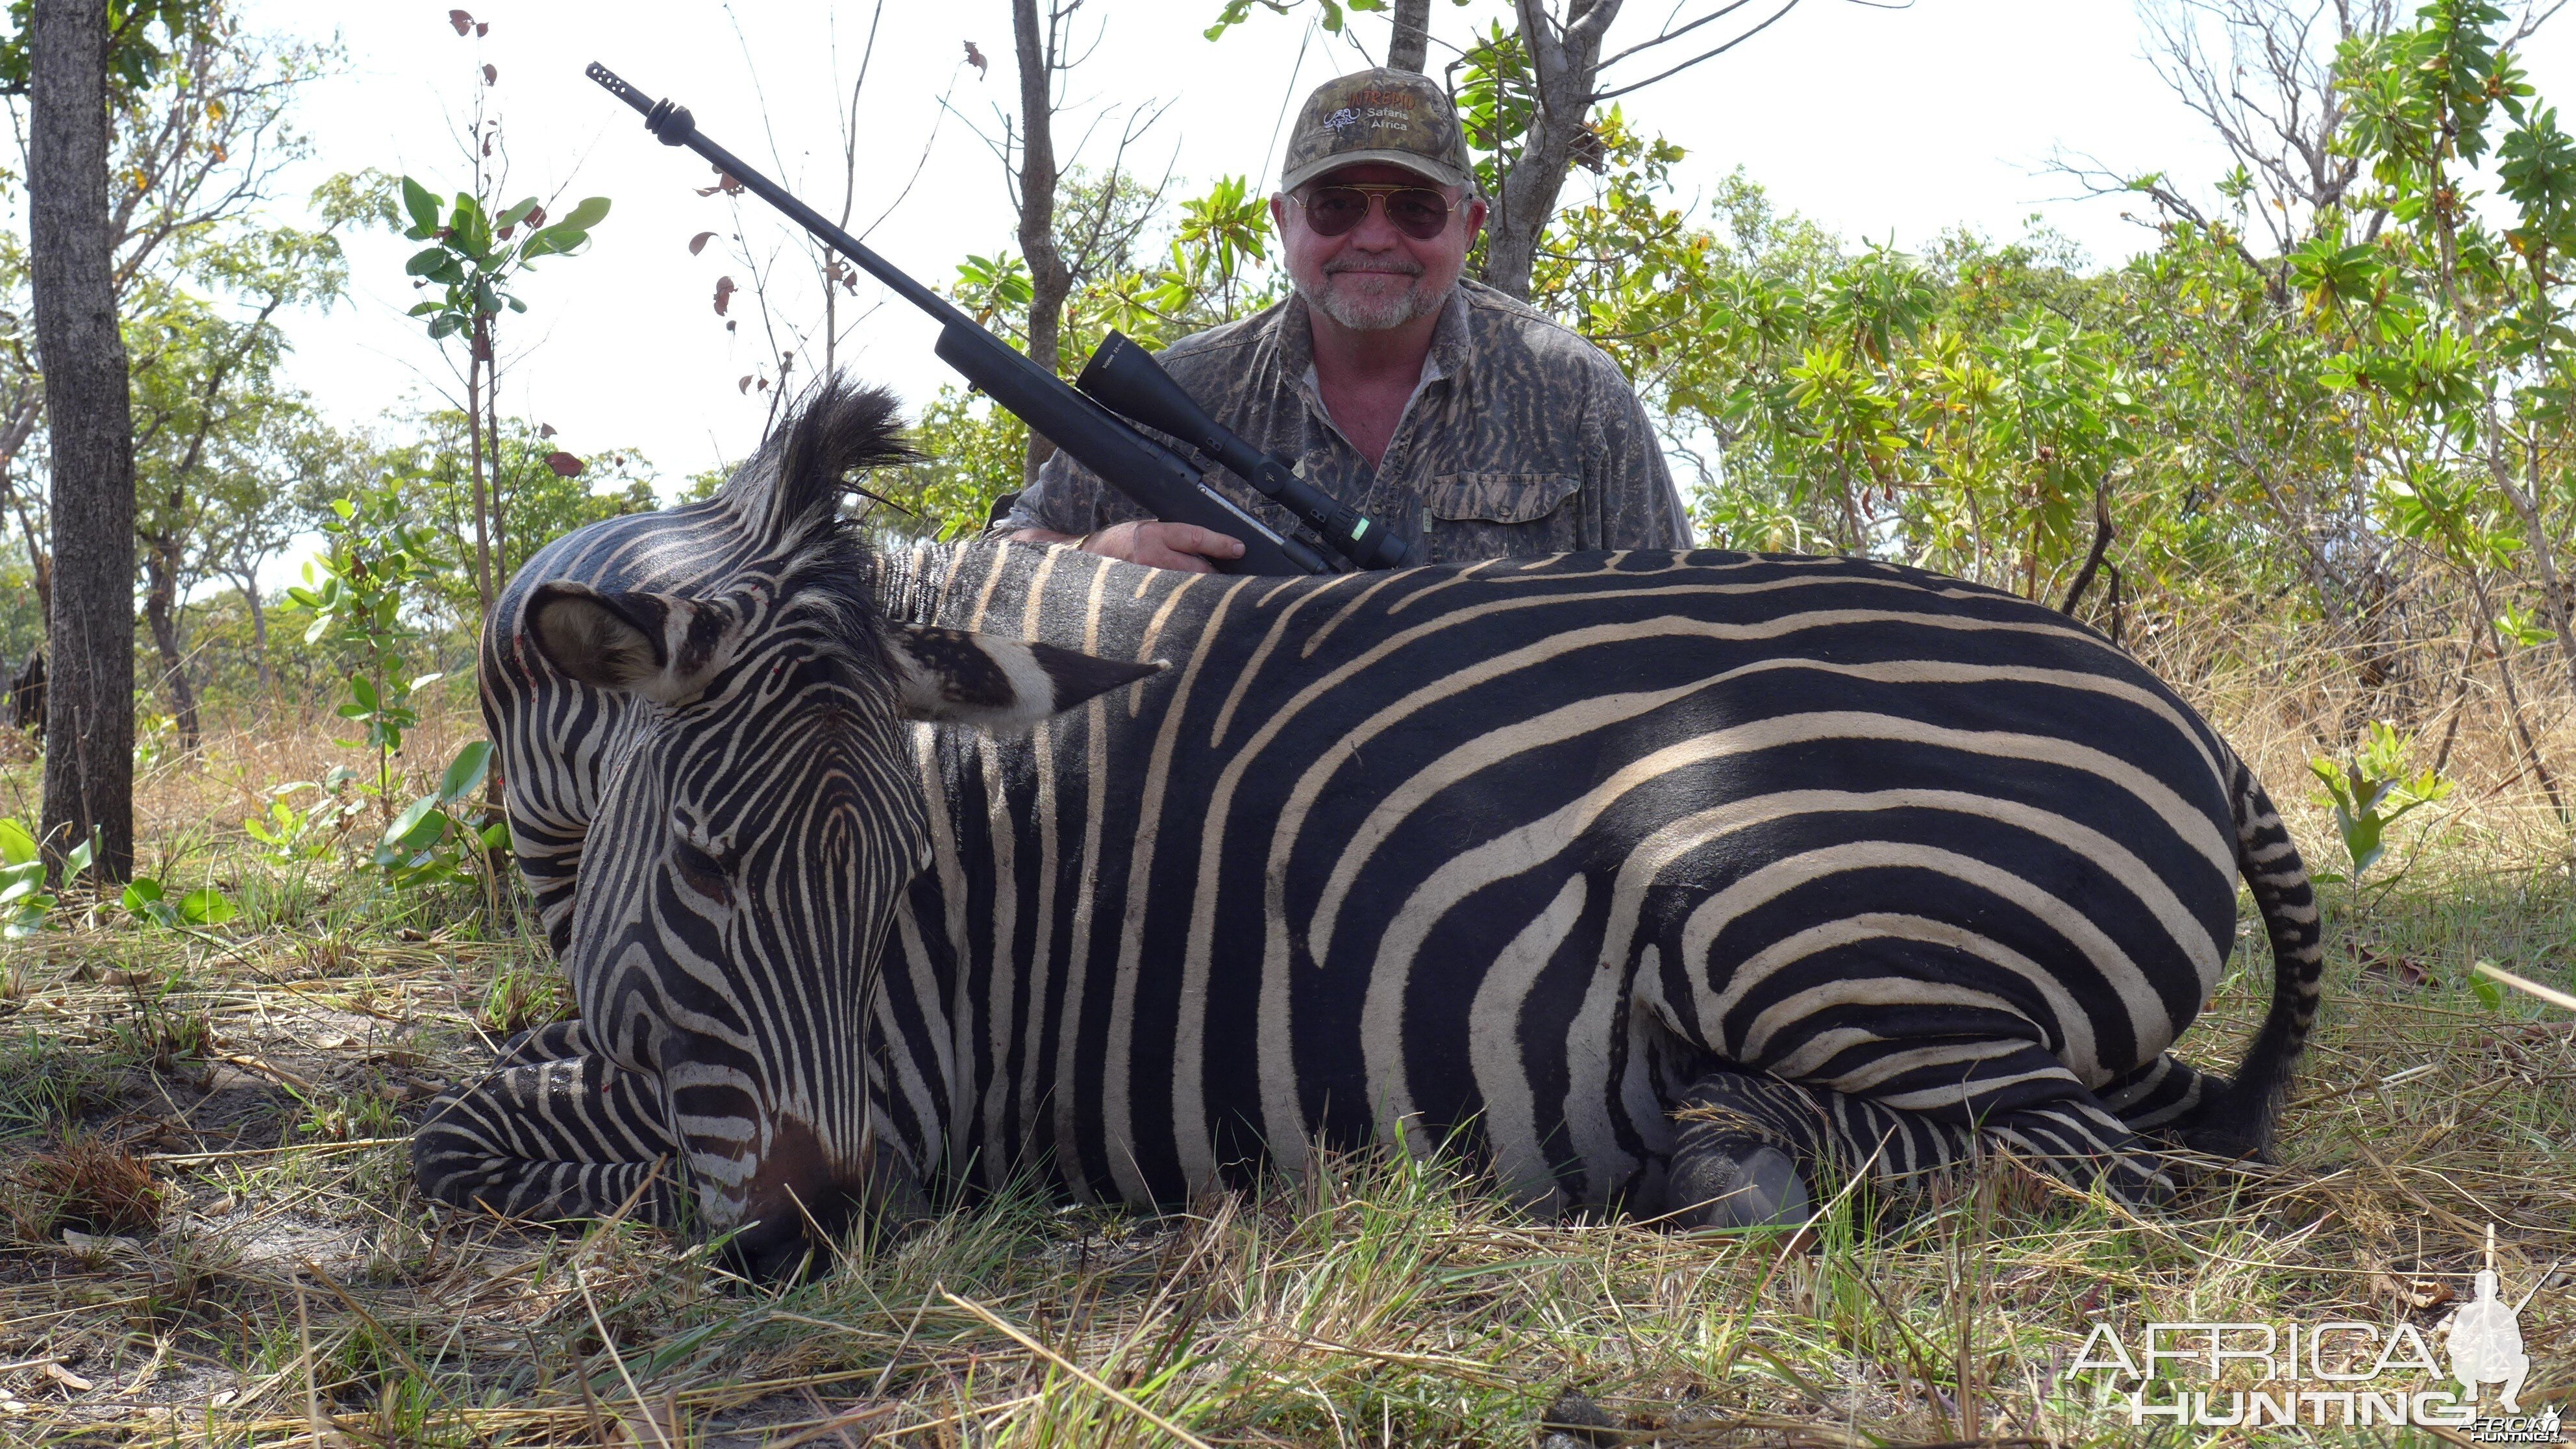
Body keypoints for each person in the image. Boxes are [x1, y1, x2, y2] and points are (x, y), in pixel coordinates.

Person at [998, 68, 1691, 572]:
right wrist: (1105, 552)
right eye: (1336, 204)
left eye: (1414, 207)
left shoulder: (1574, 393)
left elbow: (1678, 621)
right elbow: (996, 560)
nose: (1374, 236)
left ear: (1471, 224)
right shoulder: (1182, 391)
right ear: (1283, 220)